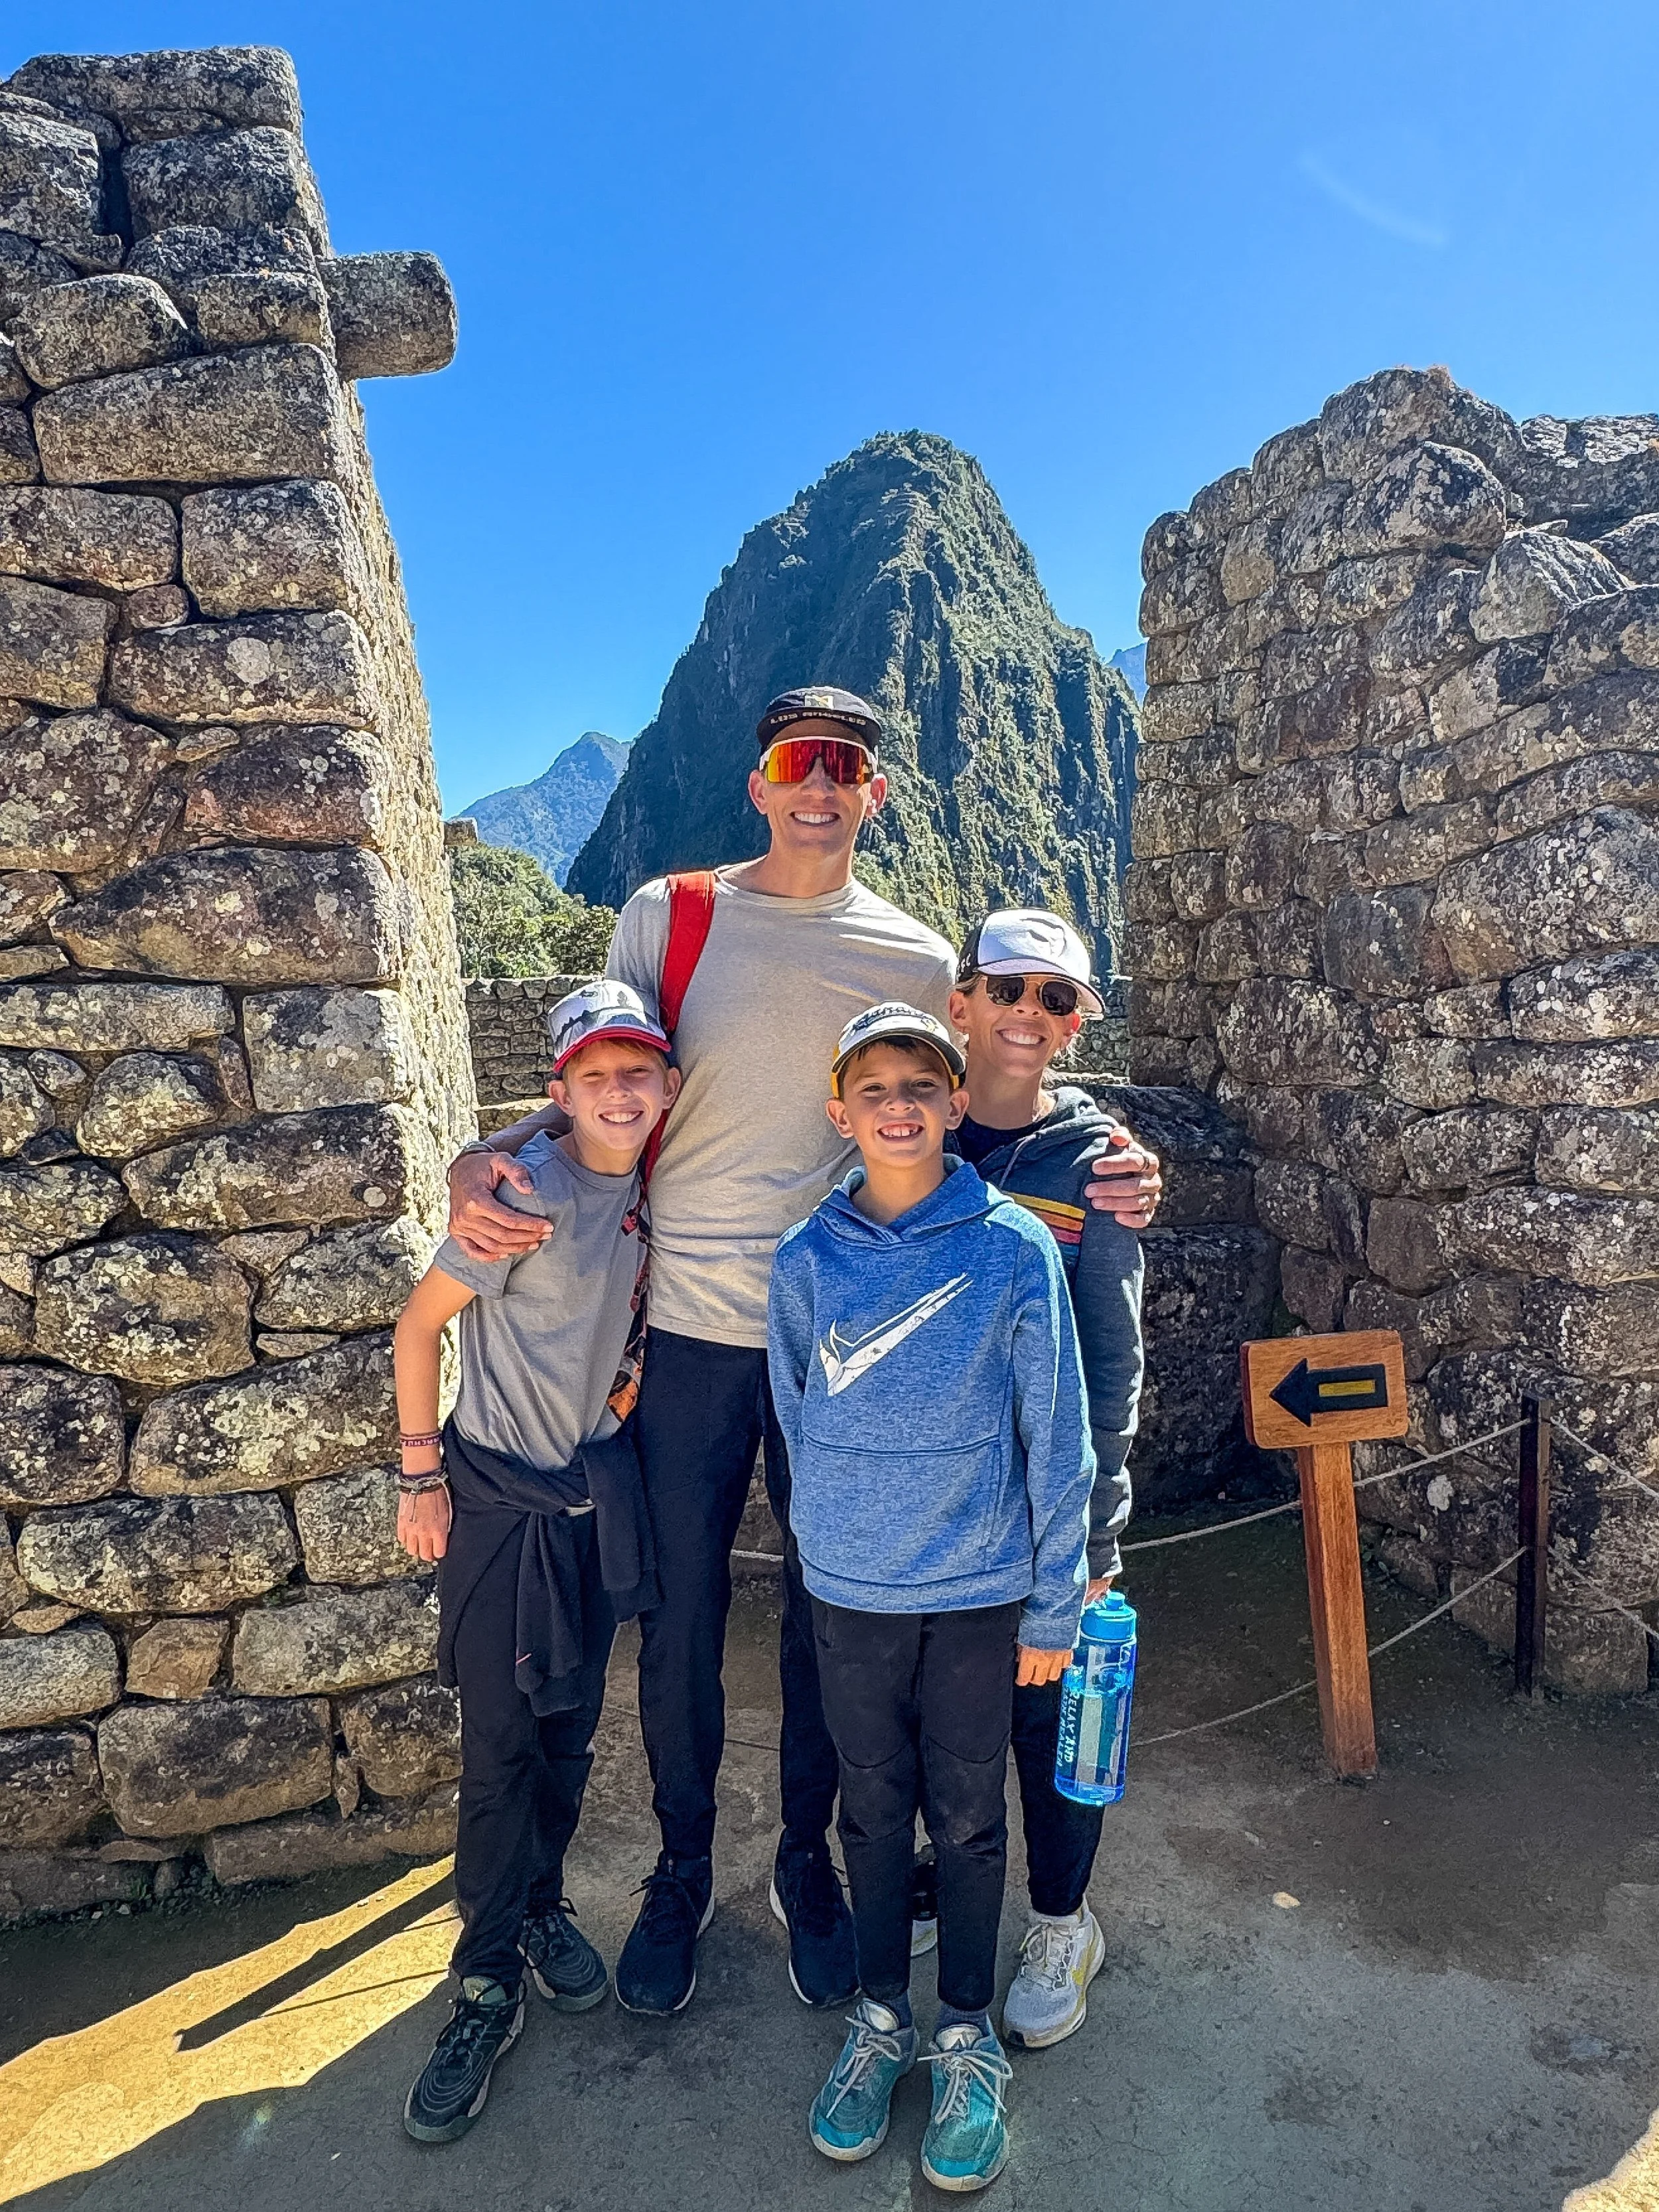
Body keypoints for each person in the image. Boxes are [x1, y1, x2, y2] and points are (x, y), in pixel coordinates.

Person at [444, 684, 1164, 2018]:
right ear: (760, 780)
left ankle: (806, 1863)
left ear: (873, 792)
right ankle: (676, 1871)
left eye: (844, 766)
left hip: (848, 1340)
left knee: (832, 1617)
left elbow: (983, 1095)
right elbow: (603, 1087)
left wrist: (1111, 1152)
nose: (819, 785)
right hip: (686, 1335)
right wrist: (476, 1158)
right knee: (679, 1622)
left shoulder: (905, 952)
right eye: (795, 761)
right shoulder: (671, 914)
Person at [769, 1003, 1094, 2191]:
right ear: (838, 1111)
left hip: (976, 1592)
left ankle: (964, 2036)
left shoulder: (1012, 1250)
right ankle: (878, 2021)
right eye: (873, 1086)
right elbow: (797, 1421)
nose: (897, 1104)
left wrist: (1051, 1605)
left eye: (922, 1082)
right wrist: (829, 1545)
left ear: (957, 1105)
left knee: (966, 1815)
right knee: (870, 1811)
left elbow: (1054, 1439)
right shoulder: (807, 1260)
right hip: (851, 1593)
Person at [394, 982, 680, 2143]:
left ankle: (544, 1903)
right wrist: (420, 1476)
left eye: (639, 1072)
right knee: (502, 1750)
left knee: (569, 1729)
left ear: (667, 1088)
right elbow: (419, 1329)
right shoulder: (523, 1199)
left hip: (587, 1499)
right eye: (594, 1074)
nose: (620, 1092)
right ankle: (484, 1979)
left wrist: (479, 1140)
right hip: (501, 1504)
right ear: (560, 1091)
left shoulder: (643, 1180)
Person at [945, 908, 1144, 2051]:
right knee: (946, 1718)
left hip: (1048, 1505)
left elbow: (1113, 1355)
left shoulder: (1097, 1168)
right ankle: (943, 1878)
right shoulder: (905, 1129)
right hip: (936, 1510)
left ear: (1075, 1026)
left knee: (1061, 1719)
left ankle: (1064, 1920)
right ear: (960, 1000)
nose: (1029, 1015)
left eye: (1054, 1000)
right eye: (1009, 989)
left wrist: (1101, 1526)